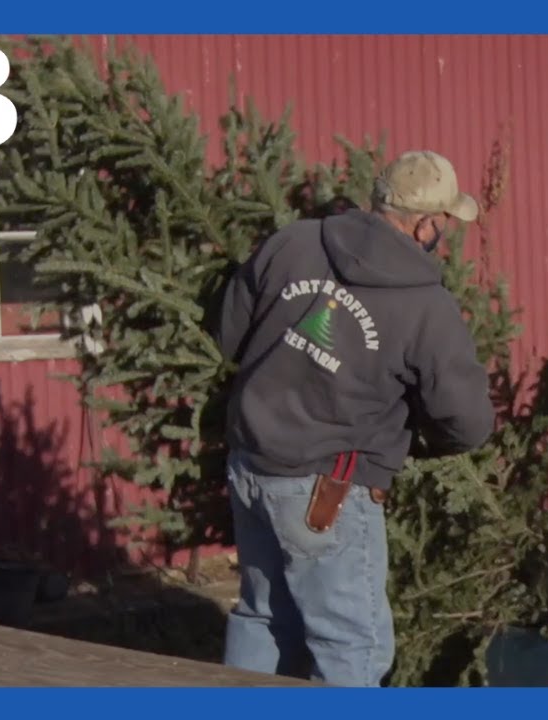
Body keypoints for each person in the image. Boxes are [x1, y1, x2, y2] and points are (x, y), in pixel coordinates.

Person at [214, 150, 496, 687]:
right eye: (445, 224)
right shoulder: (425, 305)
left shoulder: (294, 243)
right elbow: (468, 421)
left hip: (251, 465)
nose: (445, 235)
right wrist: (414, 443)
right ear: (424, 225)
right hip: (329, 493)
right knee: (350, 645)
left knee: (261, 618)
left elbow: (227, 332)